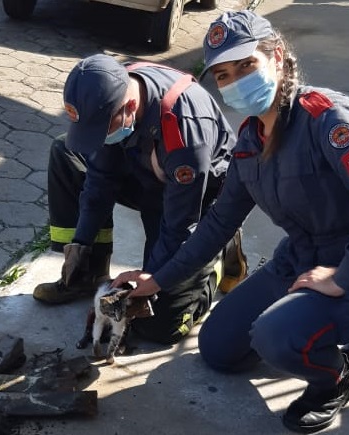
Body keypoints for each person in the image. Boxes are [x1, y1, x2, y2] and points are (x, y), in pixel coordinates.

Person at [112, 10, 349, 433]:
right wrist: (155, 280)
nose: (235, 81)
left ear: (277, 57)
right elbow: (216, 225)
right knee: (218, 349)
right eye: (223, 74)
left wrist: (343, 277)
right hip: (298, 262)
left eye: (247, 65)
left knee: (274, 336)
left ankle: (333, 379)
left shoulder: (326, 118)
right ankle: (323, 328)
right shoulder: (249, 143)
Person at [33, 53, 248, 345]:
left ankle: (217, 254)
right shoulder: (111, 93)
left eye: (102, 130)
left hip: (194, 201)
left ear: (131, 107)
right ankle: (87, 275)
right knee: (66, 153)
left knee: (159, 326)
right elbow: (99, 181)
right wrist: (81, 243)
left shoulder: (185, 131)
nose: (99, 137)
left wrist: (150, 280)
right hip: (149, 174)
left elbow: (179, 225)